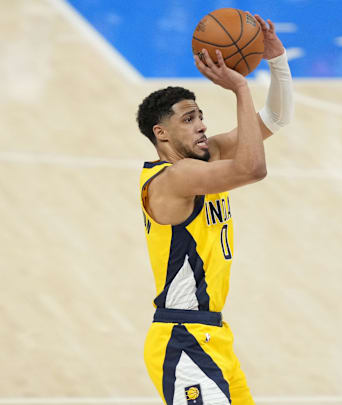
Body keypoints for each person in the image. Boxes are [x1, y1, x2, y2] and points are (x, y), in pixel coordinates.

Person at [136, 16, 292, 405]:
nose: (203, 126)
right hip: (182, 339)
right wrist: (240, 87)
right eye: (190, 119)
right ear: (162, 133)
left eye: (201, 115)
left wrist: (277, 60)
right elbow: (253, 169)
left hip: (213, 336)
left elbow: (276, 119)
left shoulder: (209, 158)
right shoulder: (175, 178)